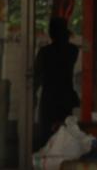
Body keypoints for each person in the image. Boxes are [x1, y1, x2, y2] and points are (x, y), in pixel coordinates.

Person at [33, 16, 80, 151]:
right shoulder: (72, 51)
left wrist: (33, 94)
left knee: (48, 137)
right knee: (64, 136)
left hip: (50, 99)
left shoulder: (45, 52)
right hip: (65, 97)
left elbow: (36, 76)